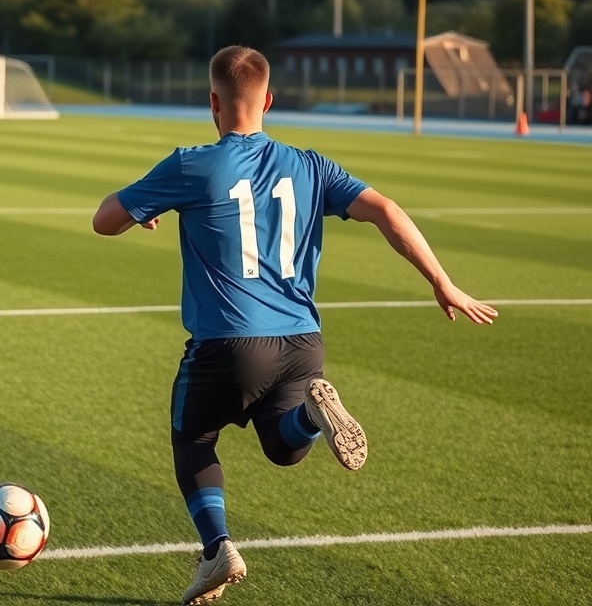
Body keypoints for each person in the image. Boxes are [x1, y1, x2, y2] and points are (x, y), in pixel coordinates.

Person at [92, 45, 498, 606]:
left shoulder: (191, 165)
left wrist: (143, 204)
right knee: (283, 448)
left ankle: (217, 549)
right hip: (303, 344)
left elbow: (104, 221)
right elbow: (385, 208)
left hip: (229, 342)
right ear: (270, 100)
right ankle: (311, 411)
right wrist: (442, 281)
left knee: (194, 436)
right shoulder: (311, 166)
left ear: (212, 102)